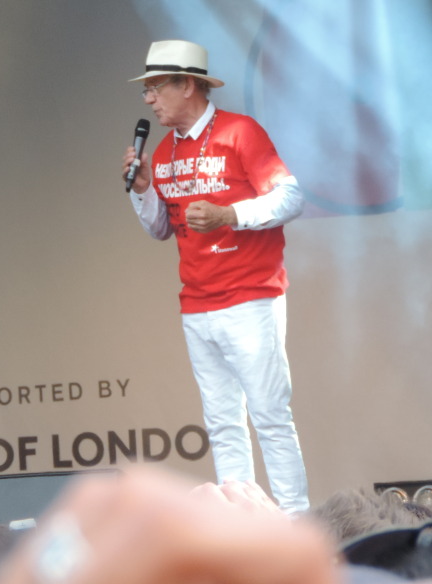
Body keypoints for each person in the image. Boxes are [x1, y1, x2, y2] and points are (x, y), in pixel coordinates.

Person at [121, 39, 309, 511]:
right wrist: (142, 191)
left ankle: (295, 524)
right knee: (223, 423)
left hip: (250, 297)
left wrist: (230, 216)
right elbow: (161, 228)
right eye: (146, 89)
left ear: (188, 85)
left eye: (156, 87)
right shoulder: (163, 153)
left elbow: (291, 198)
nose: (148, 99)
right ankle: (240, 526)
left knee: (269, 415)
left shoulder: (241, 133)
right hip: (197, 304)